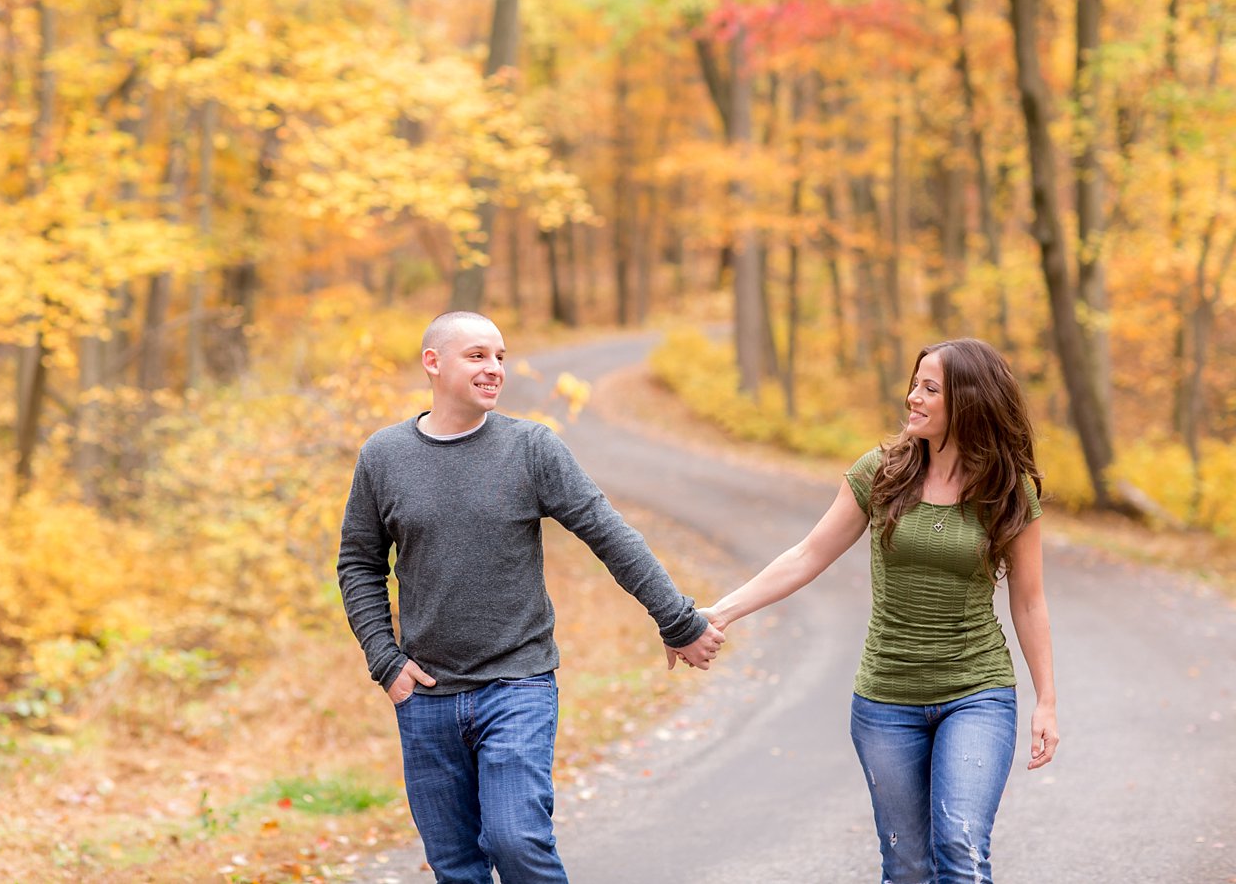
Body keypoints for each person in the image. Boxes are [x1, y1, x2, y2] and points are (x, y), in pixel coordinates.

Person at [337, 311, 724, 884]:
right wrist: (385, 661)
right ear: (432, 362)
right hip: (426, 694)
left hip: (517, 684)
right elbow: (359, 564)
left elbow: (609, 534)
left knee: (516, 841)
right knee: (456, 867)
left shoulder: (531, 448)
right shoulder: (384, 456)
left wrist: (677, 619)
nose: (495, 368)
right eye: (477, 355)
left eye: (499, 355)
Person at [701, 337, 1058, 884]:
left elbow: (1029, 601)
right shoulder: (883, 472)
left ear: (968, 400)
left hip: (976, 691)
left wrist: (1046, 702)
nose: (912, 397)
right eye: (914, 384)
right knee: (908, 868)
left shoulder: (1006, 491)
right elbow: (806, 556)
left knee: (960, 848)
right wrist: (721, 613)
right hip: (886, 702)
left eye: (929, 388)